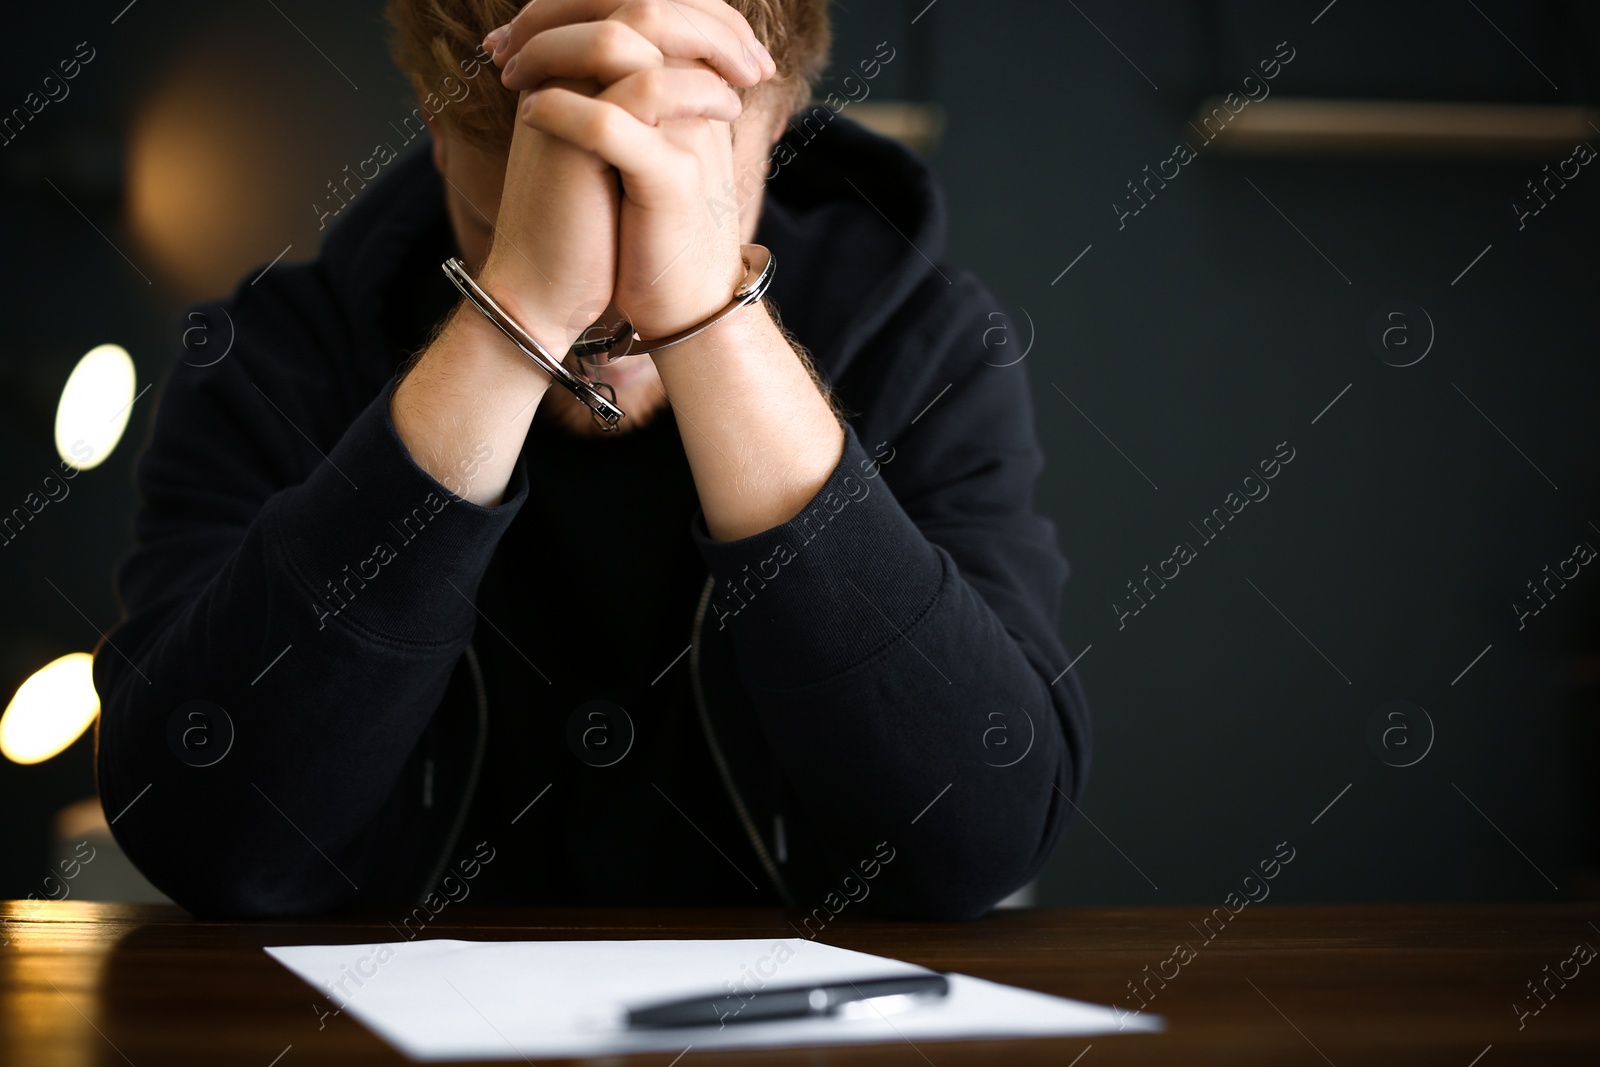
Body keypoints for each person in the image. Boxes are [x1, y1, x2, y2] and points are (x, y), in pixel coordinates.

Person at [94, 0, 1090, 920]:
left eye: (678, 209)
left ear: (774, 133)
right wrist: (517, 311)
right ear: (440, 142)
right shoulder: (268, 358)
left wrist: (709, 323)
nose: (610, 313)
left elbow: (977, 839)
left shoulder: (928, 342)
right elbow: (202, 834)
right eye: (517, 219)